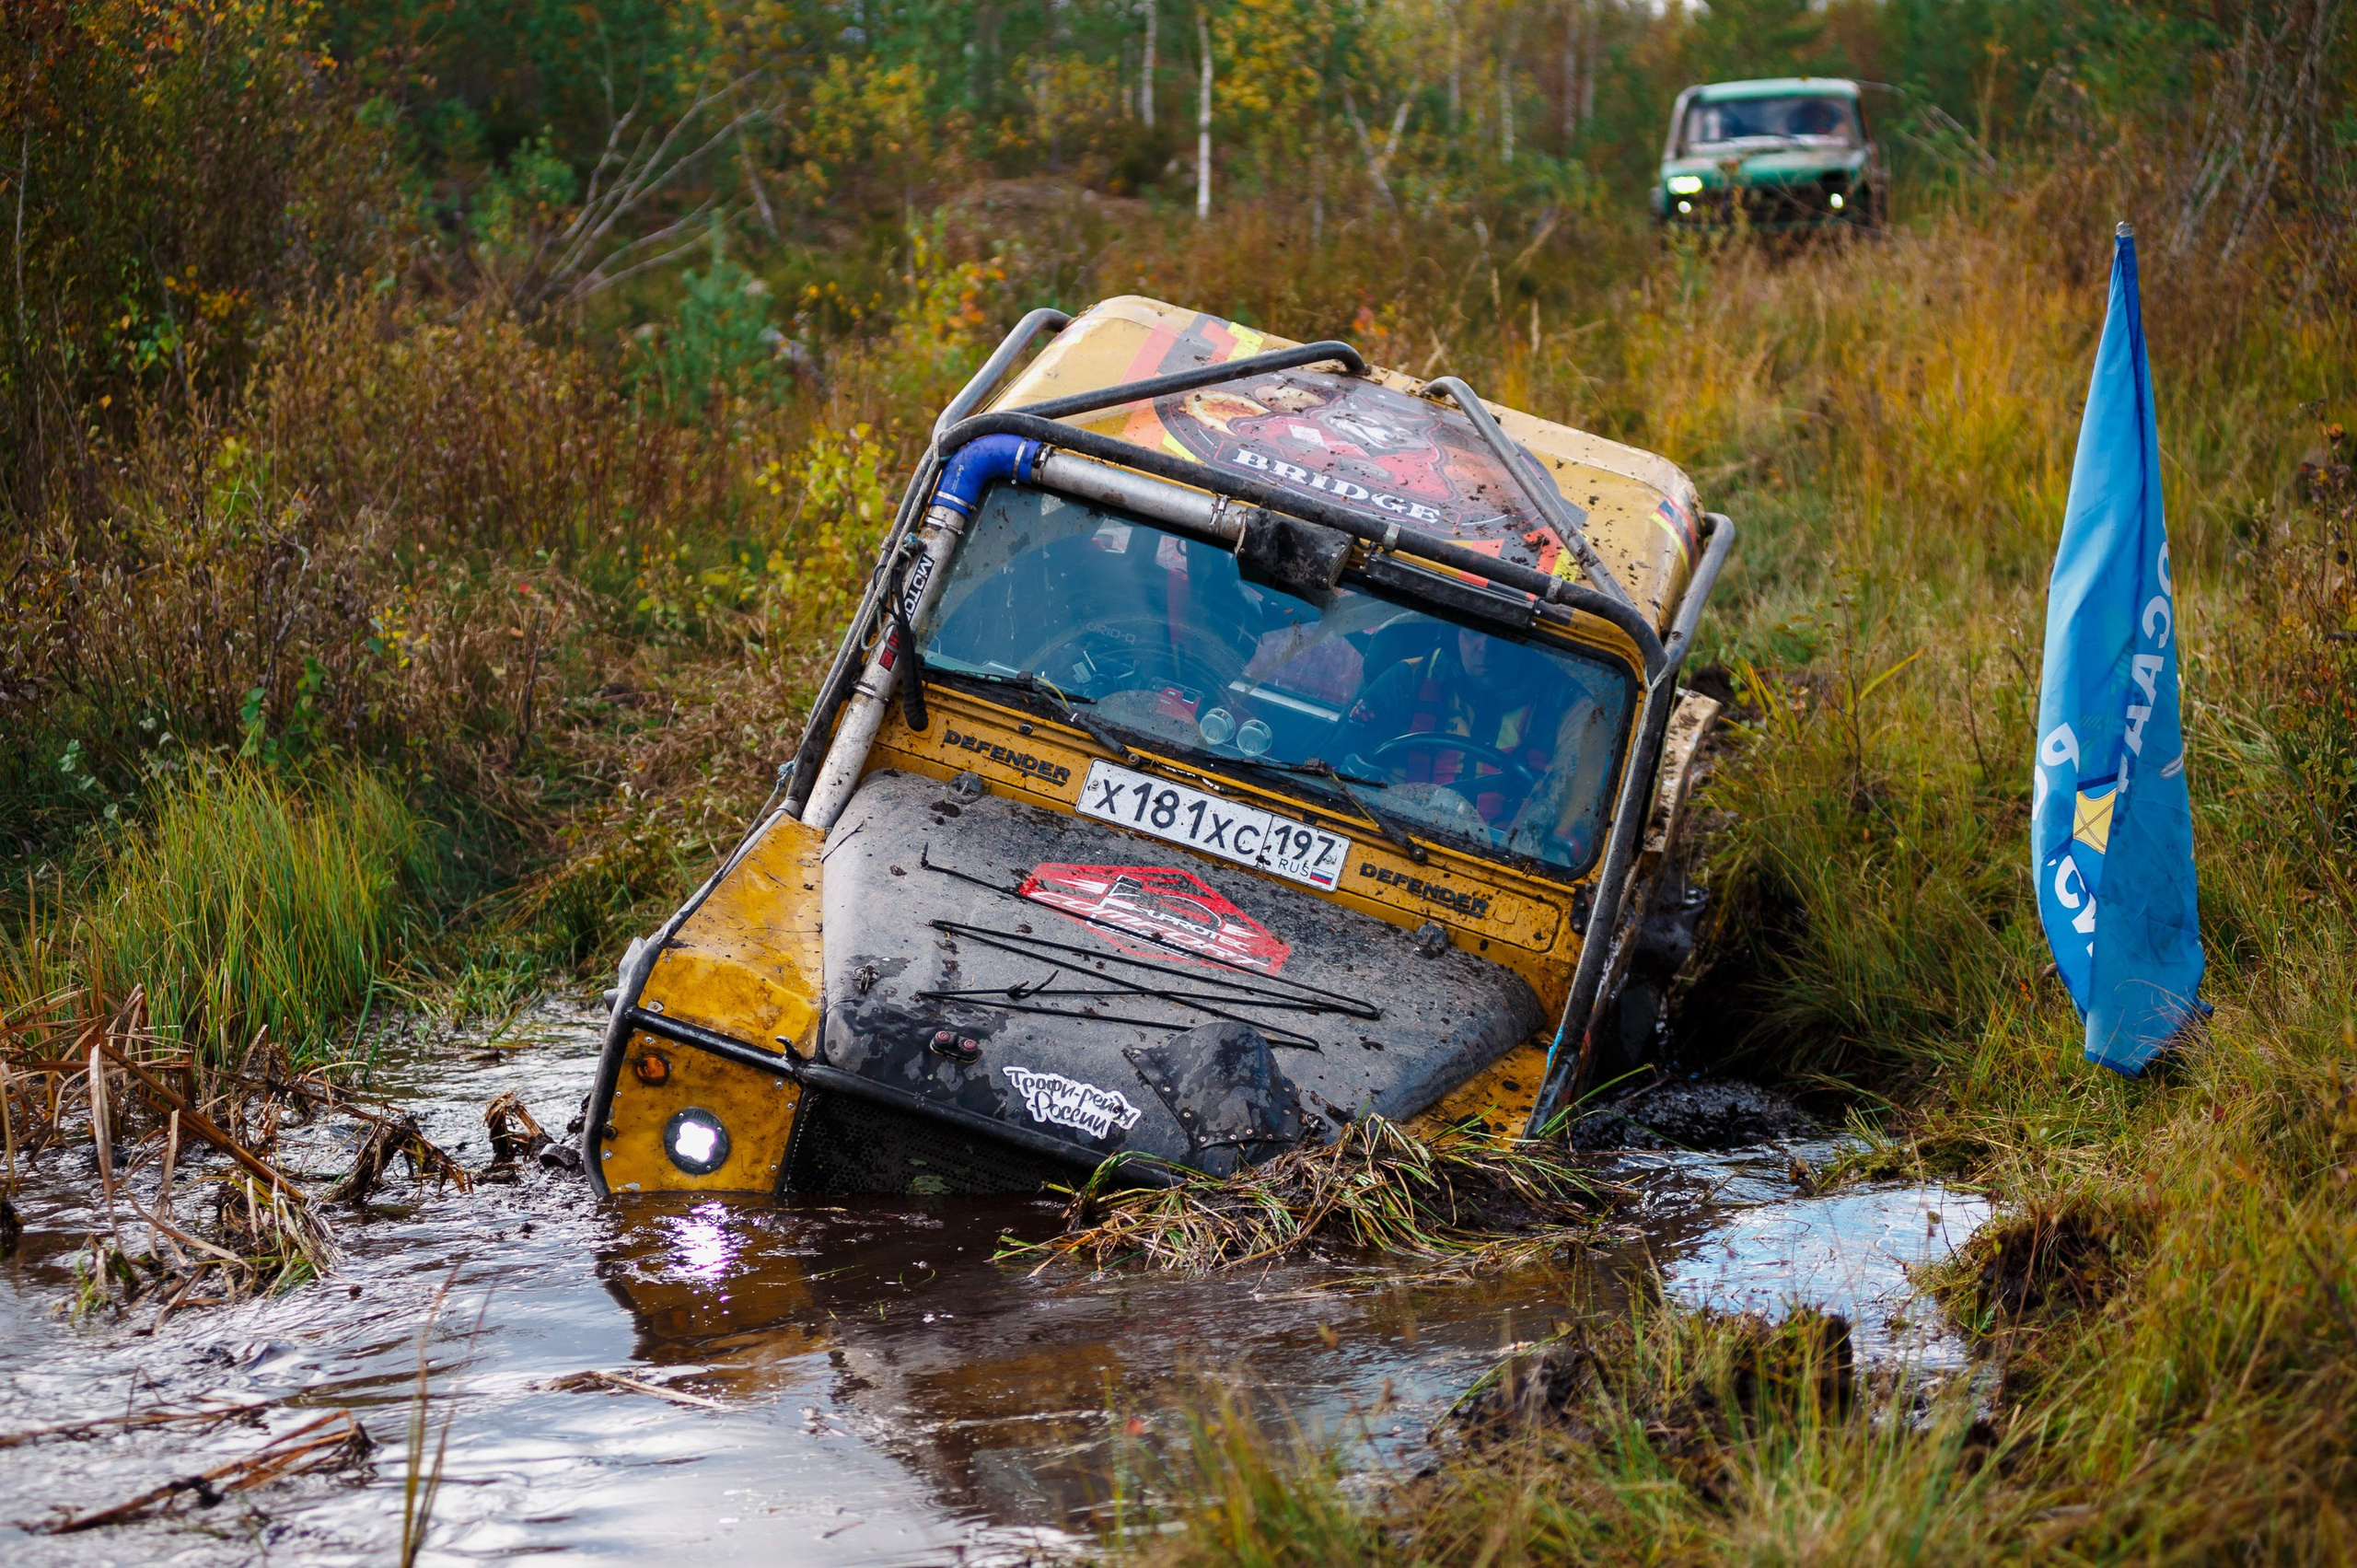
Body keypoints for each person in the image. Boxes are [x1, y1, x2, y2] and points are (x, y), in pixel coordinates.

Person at [1335, 624, 1617, 865]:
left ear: (1532, 645)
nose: (1485, 649)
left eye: (1504, 637)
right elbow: (1336, 772)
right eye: (1472, 633)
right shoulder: (1408, 678)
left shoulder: (1575, 712)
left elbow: (1570, 835)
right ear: (1454, 632)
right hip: (1385, 845)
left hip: (1506, 873)